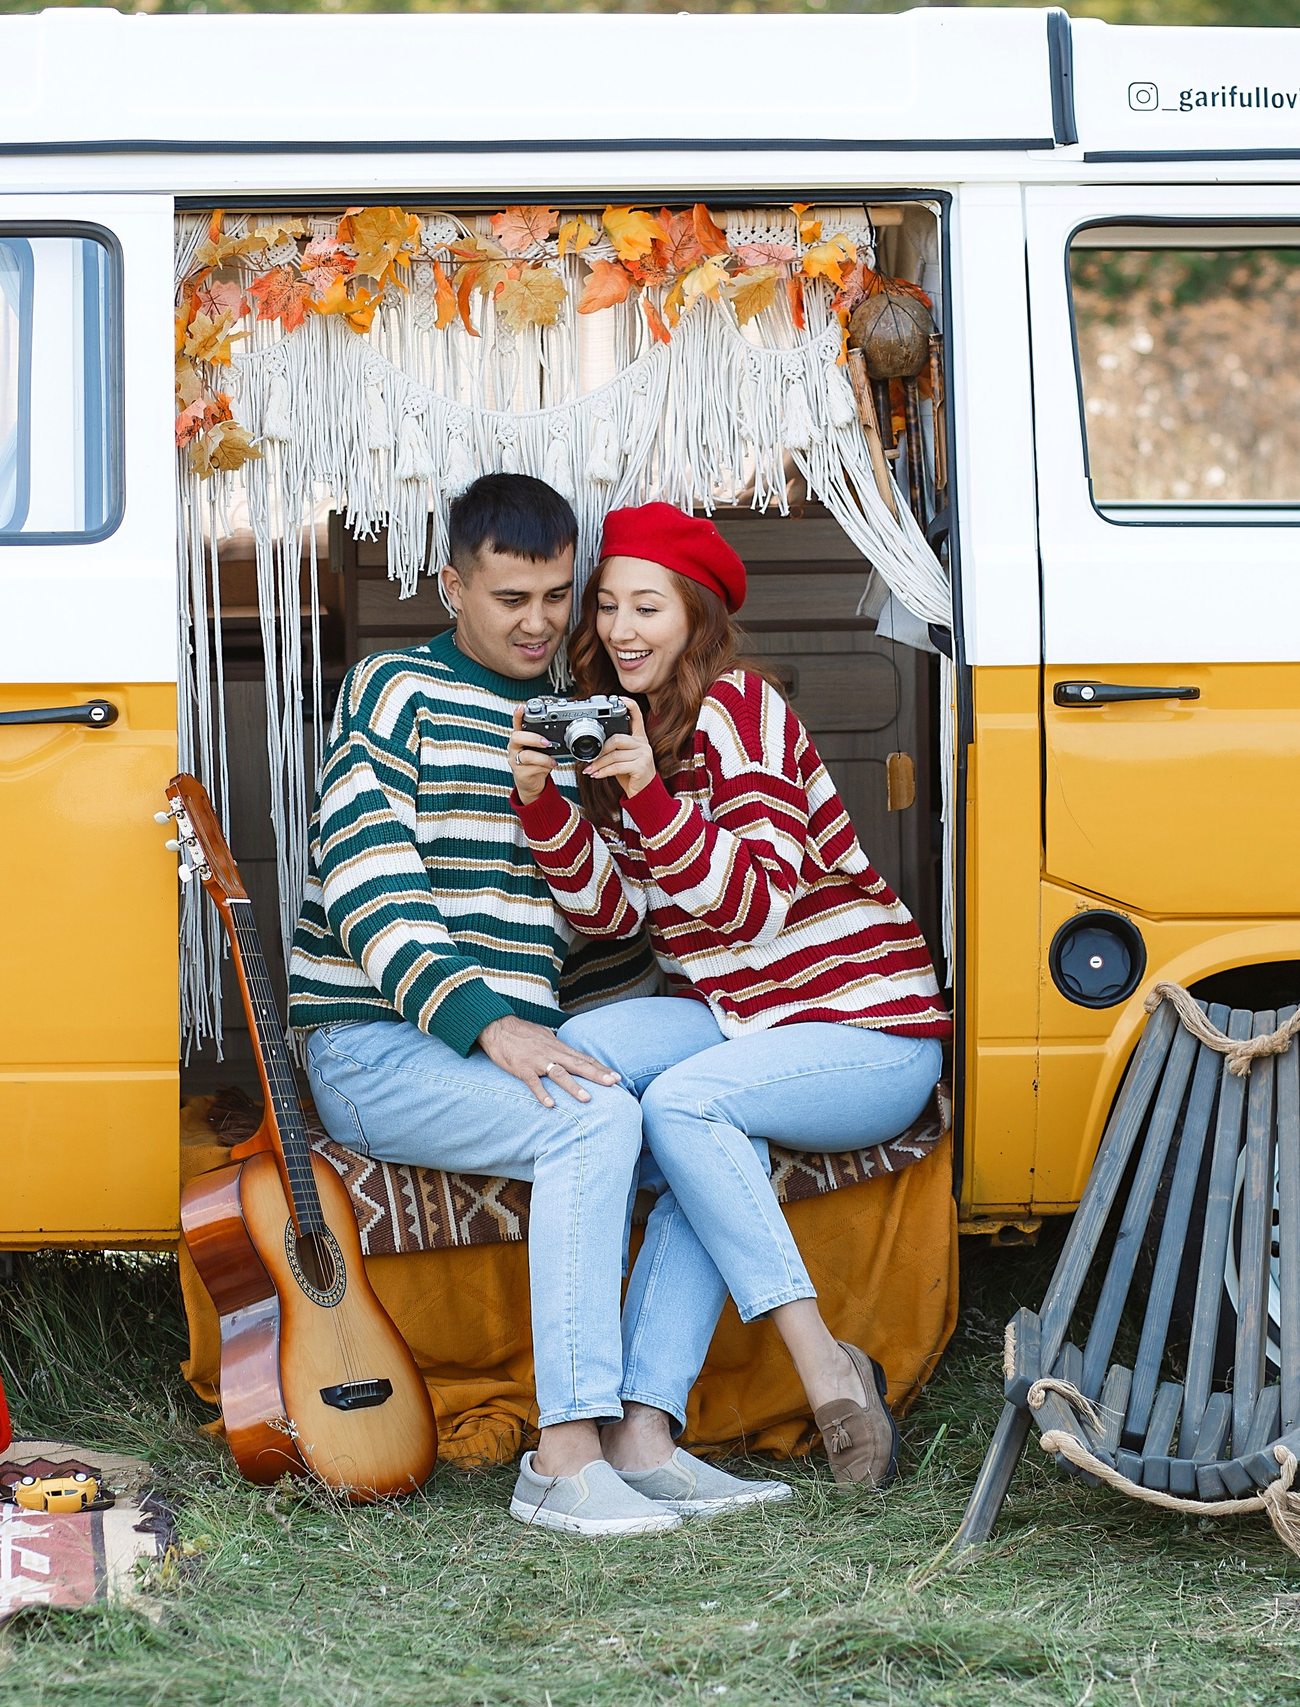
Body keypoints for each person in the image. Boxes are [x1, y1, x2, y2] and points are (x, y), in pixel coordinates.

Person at [287, 474, 787, 1536]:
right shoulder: (393, 690)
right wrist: (486, 1021)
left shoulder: (579, 713)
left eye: (559, 596)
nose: (539, 622)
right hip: (375, 1046)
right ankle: (563, 1459)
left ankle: (643, 1438)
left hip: (497, 1050)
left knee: (687, 1123)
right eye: (511, 596)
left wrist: (610, 797)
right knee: (595, 1119)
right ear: (450, 586)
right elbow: (368, 875)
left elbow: (604, 927)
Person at [508, 501, 950, 1490]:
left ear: (695, 617)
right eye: (610, 607)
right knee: (585, 1046)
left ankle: (825, 1367)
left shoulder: (739, 709)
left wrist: (652, 801)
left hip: (866, 1025)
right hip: (746, 1017)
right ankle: (639, 1434)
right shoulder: (632, 729)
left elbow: (749, 906)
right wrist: (544, 802)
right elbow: (613, 915)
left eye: (648, 608)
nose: (623, 629)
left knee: (684, 1103)